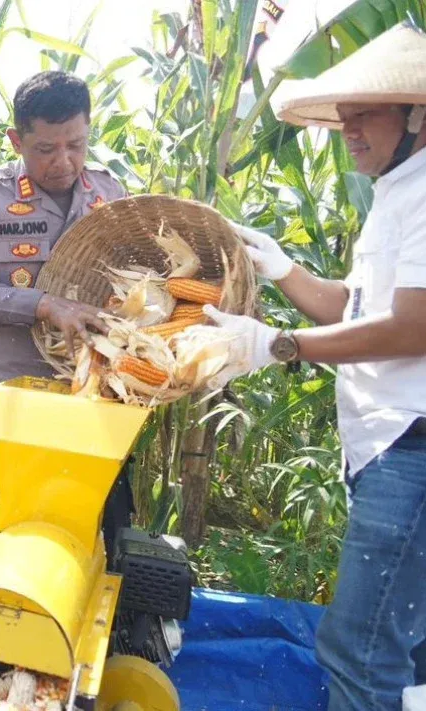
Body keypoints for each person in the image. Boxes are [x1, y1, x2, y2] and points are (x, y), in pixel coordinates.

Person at [203, 24, 426, 711]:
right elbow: (351, 308)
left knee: (358, 648)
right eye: (344, 115)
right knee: (397, 643)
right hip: (385, 443)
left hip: (408, 444)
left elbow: (413, 327)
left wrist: (279, 345)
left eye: (367, 114)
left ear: (417, 114)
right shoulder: (396, 188)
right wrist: (281, 268)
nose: (349, 130)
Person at [0, 71, 129, 597]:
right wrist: (44, 306)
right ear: (17, 141)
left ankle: (75, 641)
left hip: (87, 396)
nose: (63, 161)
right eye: (45, 149)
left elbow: (132, 280)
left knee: (91, 530)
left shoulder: (109, 193)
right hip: (1, 397)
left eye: (76, 145)